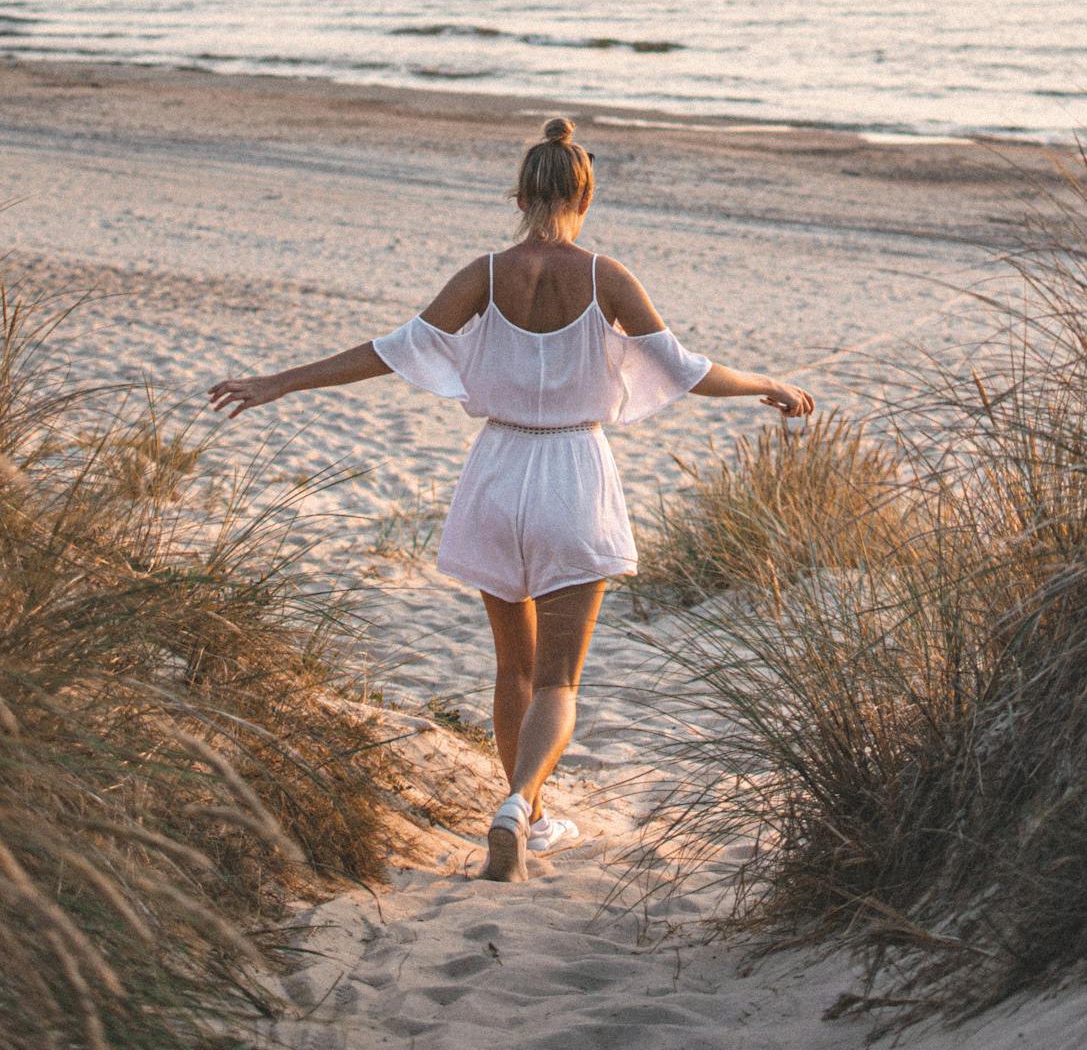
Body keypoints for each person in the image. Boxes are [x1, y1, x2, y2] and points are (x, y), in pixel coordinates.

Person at [209, 116, 815, 882]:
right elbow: (689, 371)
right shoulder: (606, 277)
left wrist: (278, 380)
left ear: (520, 191)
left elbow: (390, 353)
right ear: (584, 194)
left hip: (496, 472)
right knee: (560, 680)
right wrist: (770, 384)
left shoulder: (484, 274)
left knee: (513, 671)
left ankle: (522, 812)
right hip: (573, 474)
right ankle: (519, 804)